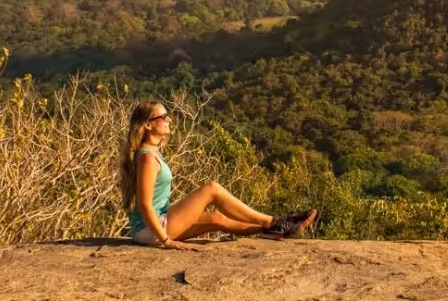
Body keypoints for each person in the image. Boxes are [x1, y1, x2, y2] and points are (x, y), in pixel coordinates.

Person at [119, 100, 317, 250]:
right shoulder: (146, 158)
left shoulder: (151, 153)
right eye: (163, 117)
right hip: (151, 230)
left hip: (154, 226)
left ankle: (275, 229)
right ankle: (273, 222)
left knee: (216, 218)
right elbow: (144, 205)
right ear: (148, 125)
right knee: (212, 189)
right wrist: (167, 241)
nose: (169, 119)